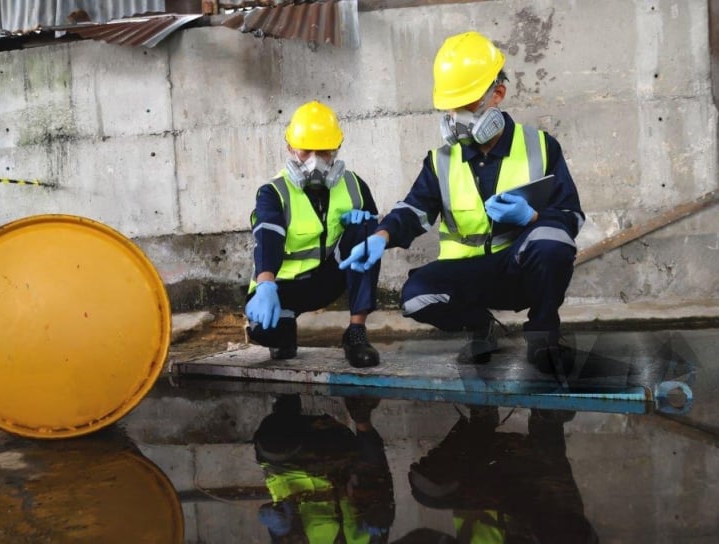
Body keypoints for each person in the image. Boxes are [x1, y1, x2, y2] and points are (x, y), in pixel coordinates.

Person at [340, 31, 585, 374]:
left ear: (497, 94)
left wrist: (531, 216)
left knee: (553, 242)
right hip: (467, 276)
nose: (457, 117)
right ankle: (480, 328)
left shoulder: (540, 147)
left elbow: (570, 215)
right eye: (451, 107)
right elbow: (413, 210)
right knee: (414, 296)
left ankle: (544, 338)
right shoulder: (442, 160)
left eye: (467, 104)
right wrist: (380, 237)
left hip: (519, 269)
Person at [246, 100, 382, 368]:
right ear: (290, 148)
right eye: (306, 151)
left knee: (367, 232)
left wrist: (364, 224)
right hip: (279, 286)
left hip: (326, 279)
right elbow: (268, 236)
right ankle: (283, 332)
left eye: (324, 152)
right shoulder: (273, 192)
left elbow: (376, 234)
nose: (315, 161)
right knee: (268, 331)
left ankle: (356, 333)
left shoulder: (353, 185)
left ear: (336, 149)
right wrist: (264, 284)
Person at [404, 405, 598, 543]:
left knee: (429, 489)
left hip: (493, 485)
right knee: (564, 529)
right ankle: (546, 418)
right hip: (537, 492)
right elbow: (581, 534)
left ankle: (482, 420)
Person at [253, 393, 395, 543]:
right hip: (335, 453)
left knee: (272, 441)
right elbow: (381, 482)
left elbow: (282, 533)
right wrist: (380, 513)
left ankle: (285, 397)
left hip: (289, 465)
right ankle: (360, 412)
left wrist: (278, 526)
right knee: (375, 480)